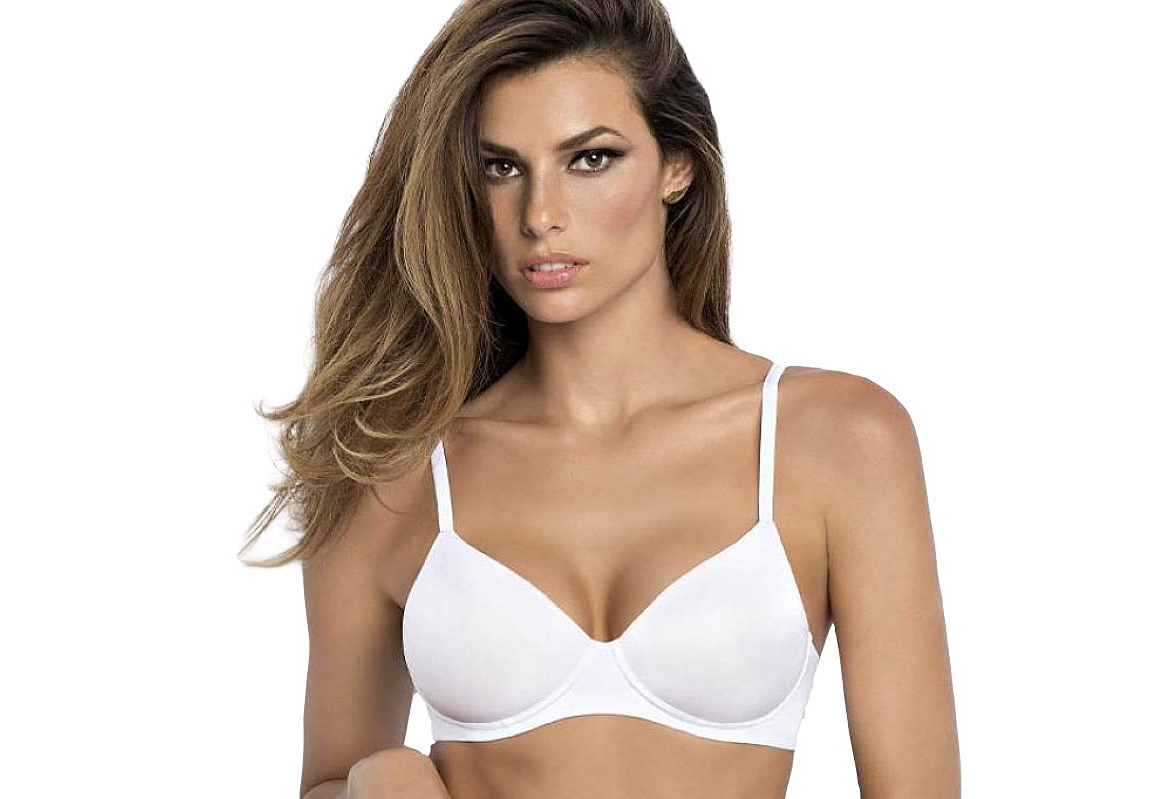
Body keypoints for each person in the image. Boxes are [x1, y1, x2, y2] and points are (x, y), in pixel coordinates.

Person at [239, 1, 961, 797]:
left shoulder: (837, 441)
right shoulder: (391, 471)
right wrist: (385, 783)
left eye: (590, 159)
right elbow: (326, 781)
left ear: (677, 164)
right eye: (501, 167)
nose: (540, 216)